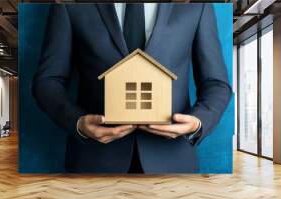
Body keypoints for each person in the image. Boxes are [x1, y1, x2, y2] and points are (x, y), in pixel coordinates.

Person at [32, 3, 232, 173]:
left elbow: (216, 84)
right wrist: (77, 122)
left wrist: (198, 122)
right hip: (94, 161)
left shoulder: (197, 8)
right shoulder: (70, 6)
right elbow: (48, 81)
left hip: (172, 161)